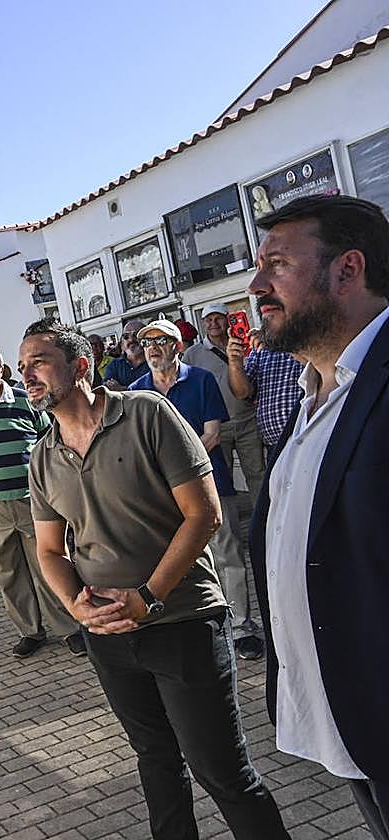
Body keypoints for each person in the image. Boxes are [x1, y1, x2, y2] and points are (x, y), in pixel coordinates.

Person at [19, 317, 288, 840]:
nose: (26, 374)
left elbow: (204, 514)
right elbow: (50, 549)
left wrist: (149, 597)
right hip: (109, 639)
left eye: (39, 362)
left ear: (80, 367)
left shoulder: (146, 413)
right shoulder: (43, 455)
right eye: (22, 365)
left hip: (182, 622)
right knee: (157, 765)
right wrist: (77, 605)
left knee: (224, 773)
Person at [246, 195, 389, 839]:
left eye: (277, 264)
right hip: (346, 713)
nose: (256, 286)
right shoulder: (311, 395)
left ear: (347, 270)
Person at [129, 320, 264, 660]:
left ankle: (242, 627)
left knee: (228, 555)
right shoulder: (136, 392)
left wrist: (175, 472)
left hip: (210, 485)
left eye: (161, 341)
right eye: (147, 343)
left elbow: (213, 434)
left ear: (177, 346)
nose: (153, 348)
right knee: (177, 560)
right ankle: (199, 627)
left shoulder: (201, 380)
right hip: (163, 496)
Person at [0, 344, 82, 657]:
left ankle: (70, 629)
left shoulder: (25, 400)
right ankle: (30, 632)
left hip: (31, 501)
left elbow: (50, 444)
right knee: (7, 572)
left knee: (49, 565)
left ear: (2, 369)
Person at [183, 303, 265, 493]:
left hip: (247, 420)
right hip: (217, 426)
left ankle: (263, 520)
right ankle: (232, 522)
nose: (214, 323)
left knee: (257, 475)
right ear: (203, 323)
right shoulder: (192, 355)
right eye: (209, 320)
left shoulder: (243, 344)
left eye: (218, 318)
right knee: (222, 479)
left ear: (228, 319)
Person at [226, 328, 304, 454]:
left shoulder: (307, 338)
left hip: (308, 437)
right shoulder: (261, 347)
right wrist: (235, 362)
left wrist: (277, 340)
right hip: (274, 445)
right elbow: (242, 392)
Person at [103, 318, 150, 389]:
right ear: (122, 342)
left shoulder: (155, 362)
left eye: (136, 334)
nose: (131, 339)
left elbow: (155, 390)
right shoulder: (114, 365)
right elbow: (109, 390)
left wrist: (123, 389)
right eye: (126, 336)